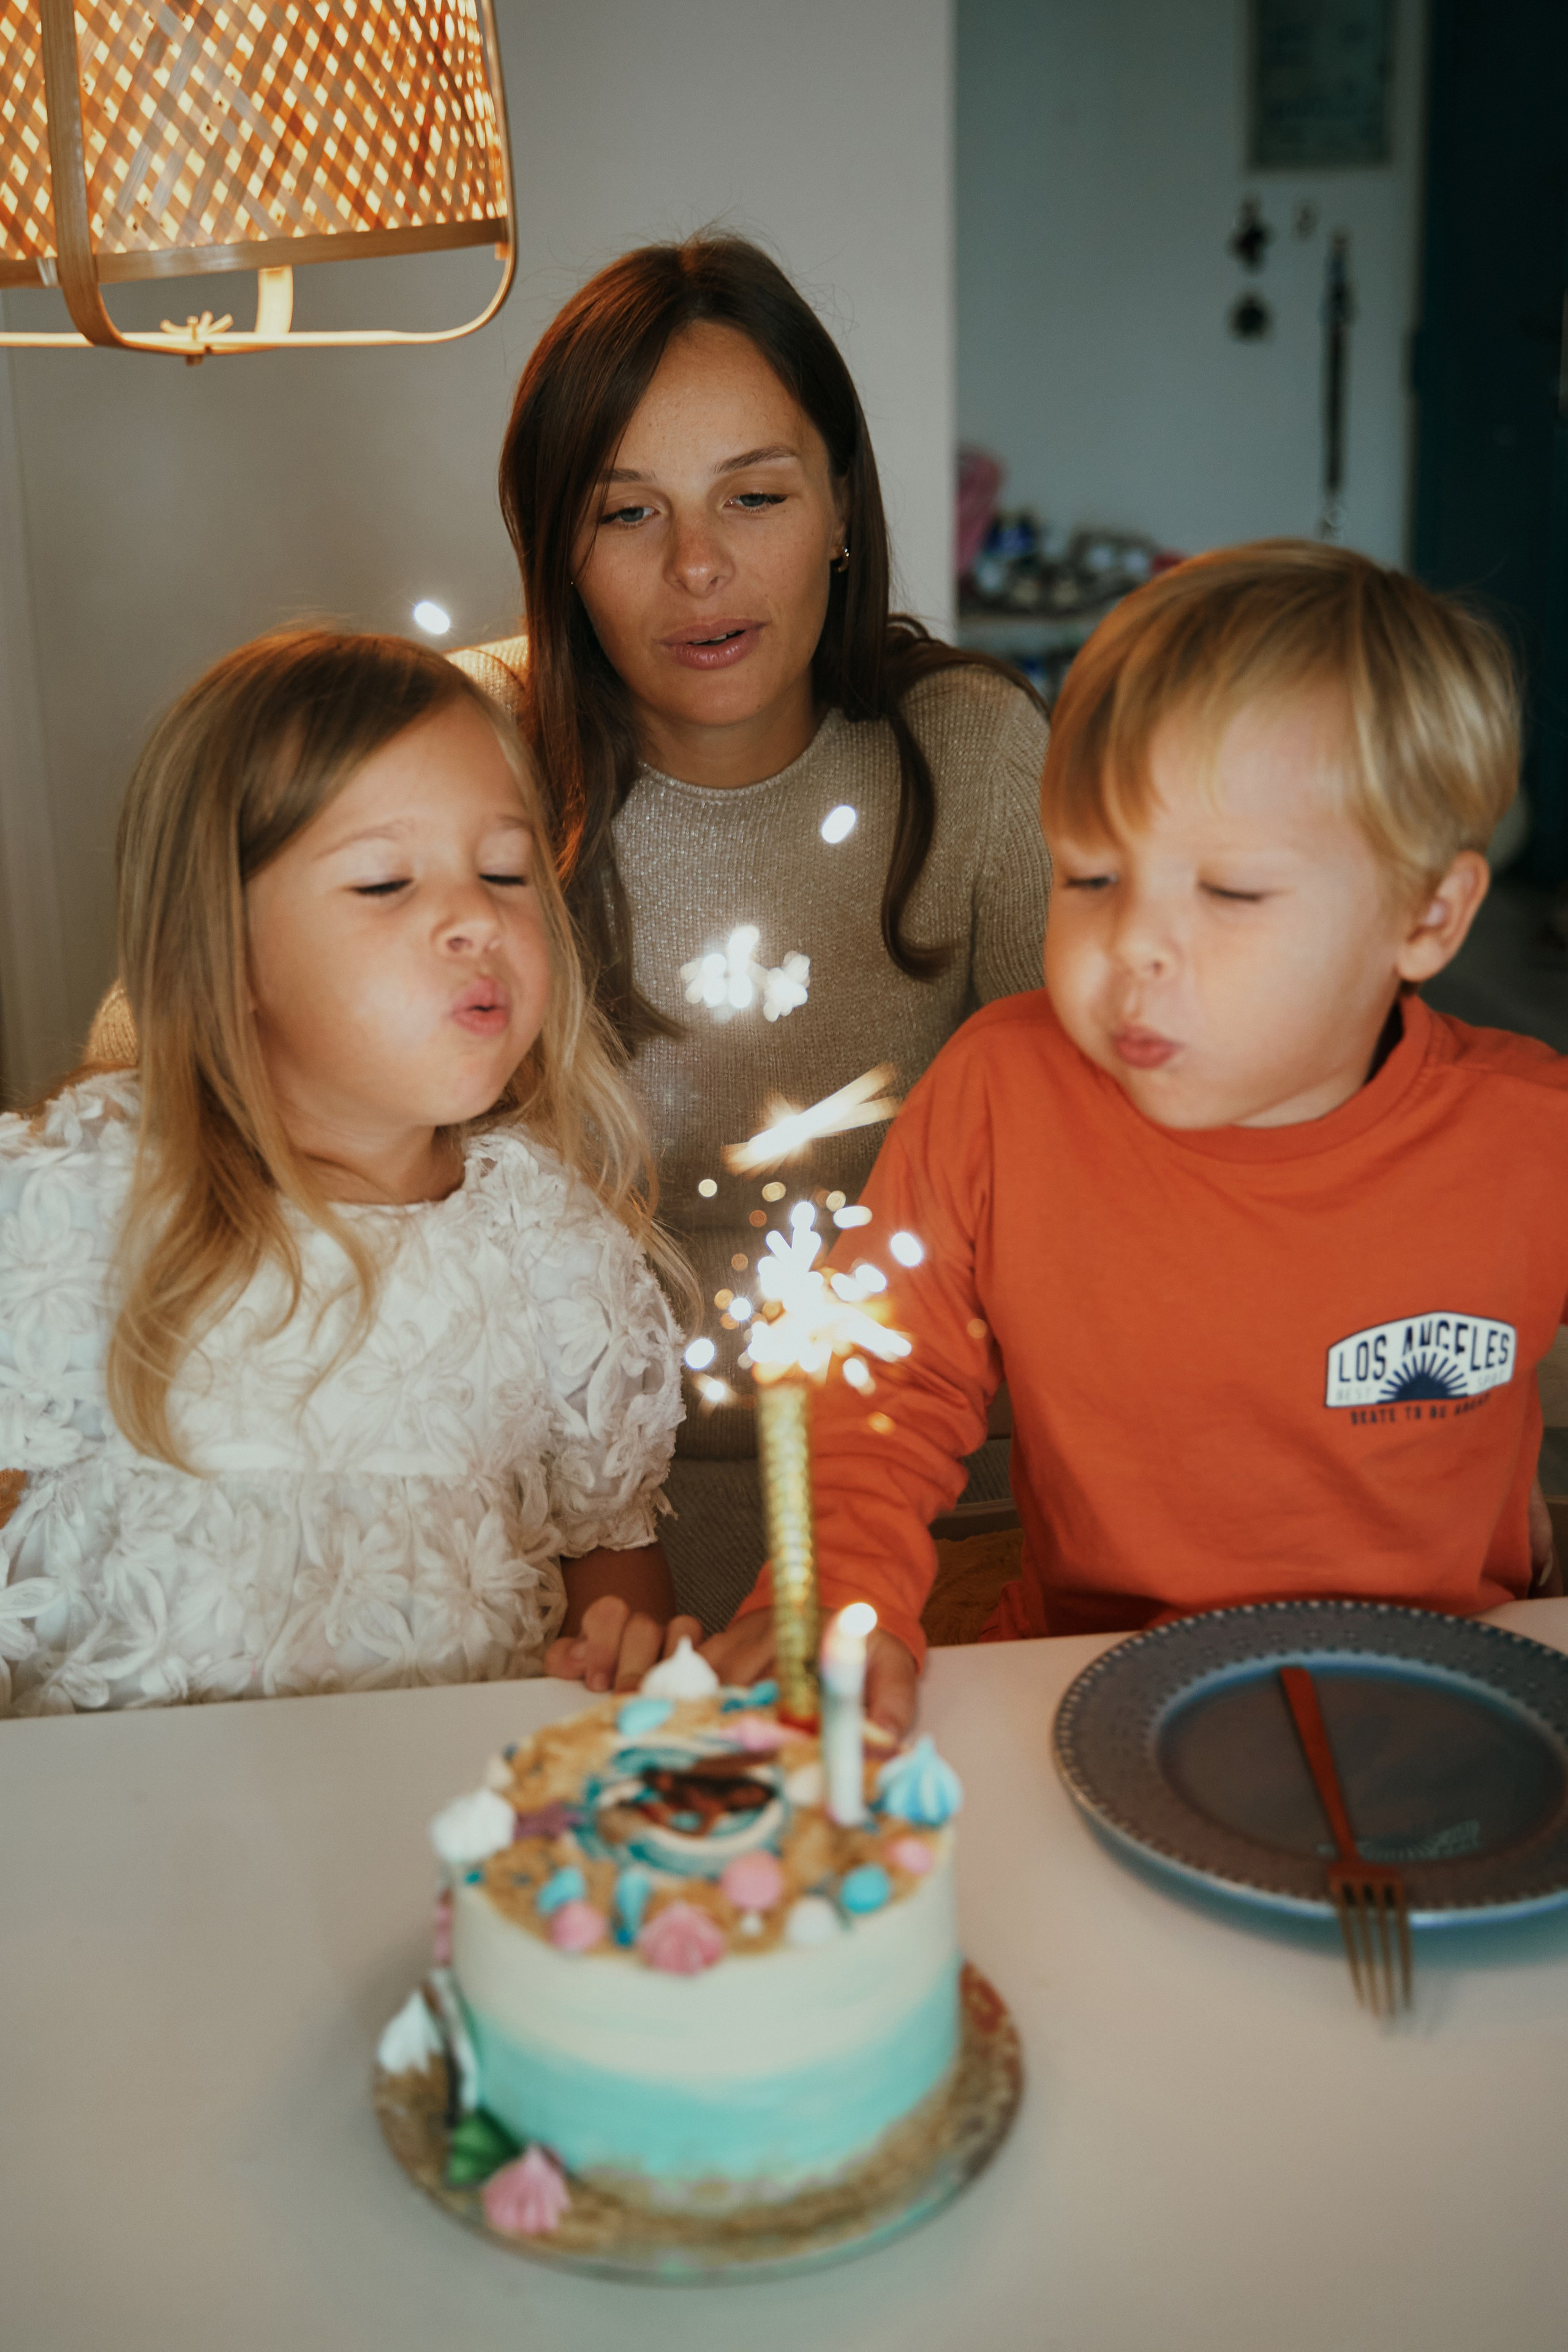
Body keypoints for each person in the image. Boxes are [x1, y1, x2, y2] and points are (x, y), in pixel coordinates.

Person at [707, 541, 1568, 1731]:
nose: (1133, 949)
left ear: (1425, 916)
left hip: (1441, 1711)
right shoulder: (1002, 1096)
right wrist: (842, 1592)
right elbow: (880, 1389)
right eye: (1091, 877)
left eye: (1229, 894)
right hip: (1088, 1691)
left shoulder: (1531, 1142)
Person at [462, 233, 1050, 1632]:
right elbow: (161, 1048)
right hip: (542, 1513)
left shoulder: (966, 754)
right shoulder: (459, 744)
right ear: (553, 545)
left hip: (929, 1494)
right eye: (626, 514)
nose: (700, 567)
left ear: (840, 507)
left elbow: (1117, 1148)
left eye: (755, 495)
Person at [0, 630, 696, 1716]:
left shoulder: (549, 1249)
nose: (477, 917)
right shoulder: (80, 1204)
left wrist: (621, 1645)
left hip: (451, 1823)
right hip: (130, 1842)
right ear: (222, 951)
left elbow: (609, 1550)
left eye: (506, 871)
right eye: (383, 882)